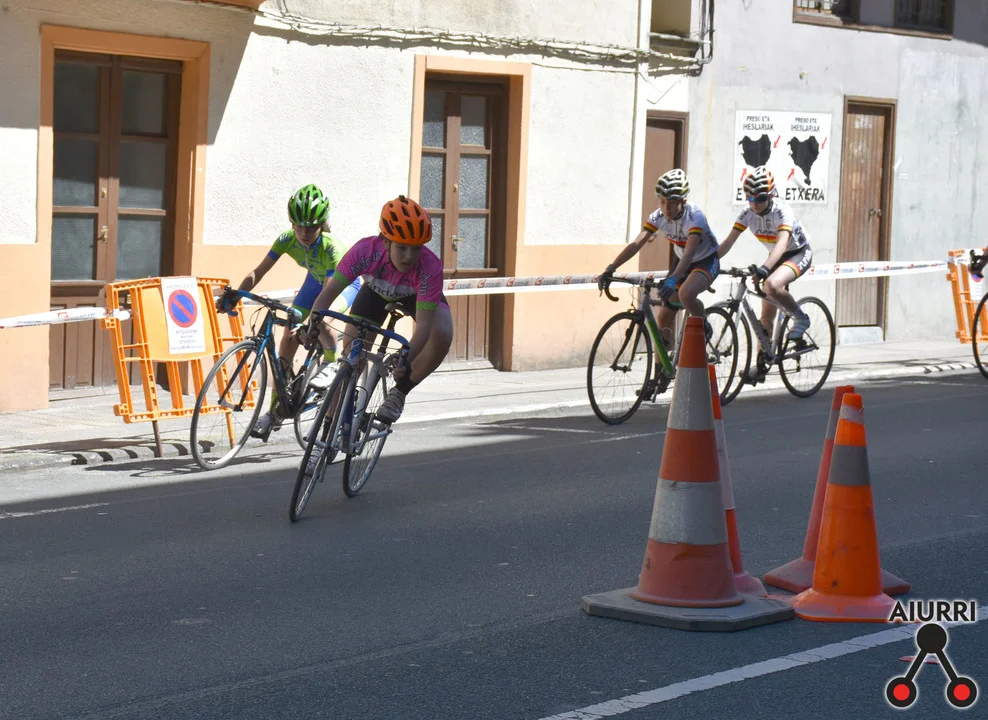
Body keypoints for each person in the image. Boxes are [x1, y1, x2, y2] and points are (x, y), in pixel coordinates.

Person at [217, 184, 361, 440]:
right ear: (291, 223)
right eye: (299, 226)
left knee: (323, 319)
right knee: (288, 335)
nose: (304, 233)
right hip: (314, 281)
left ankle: (330, 360)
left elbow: (327, 295)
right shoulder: (286, 240)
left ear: (322, 225)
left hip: (342, 284)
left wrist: (311, 324)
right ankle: (275, 411)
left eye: (311, 227)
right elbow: (258, 271)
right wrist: (236, 294)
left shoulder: (331, 247)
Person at [306, 195, 454, 425]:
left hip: (415, 296)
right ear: (385, 242)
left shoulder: (429, 266)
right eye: (402, 247)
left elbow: (424, 327)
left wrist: (406, 359)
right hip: (374, 293)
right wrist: (312, 325)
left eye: (416, 249)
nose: (409, 257)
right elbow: (329, 292)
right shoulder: (364, 252)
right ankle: (328, 423)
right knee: (352, 359)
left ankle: (400, 393)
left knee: (442, 333)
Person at [597, 168, 720, 345]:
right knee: (663, 318)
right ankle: (663, 362)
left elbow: (690, 253)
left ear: (683, 201)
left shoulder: (695, 217)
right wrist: (611, 268)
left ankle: (704, 324)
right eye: (662, 202)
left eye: (672, 203)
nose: (666, 208)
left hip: (705, 259)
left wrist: (673, 279)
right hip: (681, 259)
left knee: (686, 294)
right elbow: (636, 244)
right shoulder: (658, 217)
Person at [717, 166, 812, 341]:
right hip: (774, 256)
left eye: (760, 198)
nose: (754, 203)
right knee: (766, 317)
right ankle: (764, 355)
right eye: (750, 198)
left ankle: (801, 318)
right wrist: (708, 261)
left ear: (771, 196)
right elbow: (728, 242)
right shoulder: (747, 213)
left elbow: (782, 243)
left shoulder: (782, 211)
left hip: (797, 253)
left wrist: (765, 268)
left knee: (771, 285)